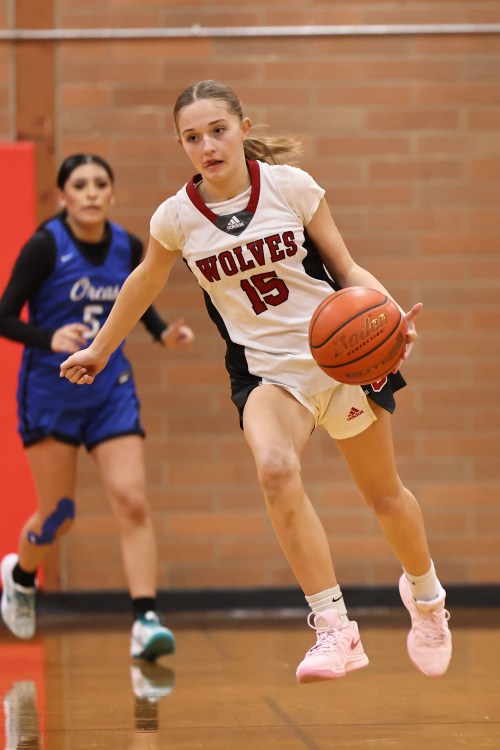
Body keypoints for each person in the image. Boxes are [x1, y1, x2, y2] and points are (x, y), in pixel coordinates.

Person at [59, 82, 452, 682]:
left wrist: (393, 318)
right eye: (192, 137)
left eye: (217, 130)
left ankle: (426, 600)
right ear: (181, 145)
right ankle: (334, 628)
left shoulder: (291, 187)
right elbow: (144, 283)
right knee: (274, 469)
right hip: (267, 372)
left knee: (385, 497)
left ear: (243, 129)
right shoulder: (176, 218)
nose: (207, 146)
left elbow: (345, 267)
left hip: (342, 361)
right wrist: (99, 348)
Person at [0, 153, 194, 662]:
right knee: (58, 514)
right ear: (63, 196)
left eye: (99, 184)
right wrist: (48, 337)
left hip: (110, 392)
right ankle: (21, 576)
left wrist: (163, 334)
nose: (90, 192)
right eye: (79, 184)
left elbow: (138, 299)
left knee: (132, 500)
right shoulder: (45, 246)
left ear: (112, 194)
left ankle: (145, 619)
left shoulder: (128, 244)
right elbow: (4, 316)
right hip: (51, 394)